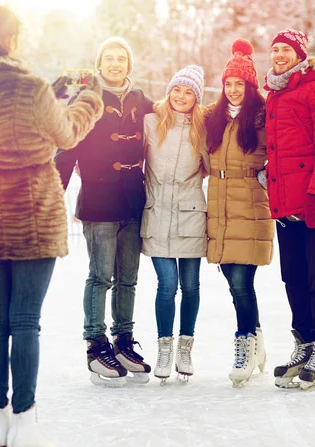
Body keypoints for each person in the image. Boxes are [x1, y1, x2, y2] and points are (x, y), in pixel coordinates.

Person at [0, 6, 103, 447]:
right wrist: (87, 98)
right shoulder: (29, 87)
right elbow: (67, 133)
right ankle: (26, 422)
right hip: (32, 212)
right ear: (11, 41)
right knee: (25, 322)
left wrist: (49, 98)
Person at [55, 36, 153, 385]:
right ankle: (96, 344)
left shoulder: (143, 101)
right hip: (98, 200)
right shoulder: (87, 100)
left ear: (129, 65)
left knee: (128, 278)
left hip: (133, 200)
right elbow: (65, 148)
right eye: (108, 58)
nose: (115, 64)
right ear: (99, 65)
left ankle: (123, 341)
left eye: (121, 58)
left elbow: (174, 124)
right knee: (101, 276)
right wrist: (53, 195)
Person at [265, 29, 315, 390]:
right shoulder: (275, 94)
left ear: (300, 54)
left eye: (286, 49)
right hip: (287, 204)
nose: (279, 55)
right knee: (293, 276)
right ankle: (305, 341)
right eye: (275, 50)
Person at [205, 40, 274, 386]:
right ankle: (257, 337)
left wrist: (266, 175)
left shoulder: (262, 117)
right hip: (220, 208)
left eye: (240, 84)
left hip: (249, 204)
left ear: (250, 86)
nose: (233, 91)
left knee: (241, 282)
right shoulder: (213, 119)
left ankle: (244, 342)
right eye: (228, 84)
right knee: (232, 281)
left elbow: (280, 150)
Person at [141, 65, 209, 383]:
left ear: (196, 99)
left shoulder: (203, 129)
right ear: (169, 91)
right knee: (167, 285)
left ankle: (185, 346)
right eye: (177, 90)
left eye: (189, 93)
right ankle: (164, 348)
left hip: (190, 217)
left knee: (191, 286)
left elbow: (210, 167)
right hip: (156, 215)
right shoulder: (151, 123)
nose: (181, 97)